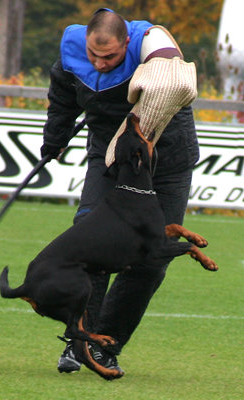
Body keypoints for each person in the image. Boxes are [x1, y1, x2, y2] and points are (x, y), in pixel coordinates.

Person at [40, 8, 199, 377]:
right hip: (108, 156)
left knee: (152, 258)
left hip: (167, 156)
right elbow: (62, 101)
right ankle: (79, 340)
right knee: (88, 240)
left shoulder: (150, 48)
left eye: (109, 57)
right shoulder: (70, 57)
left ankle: (106, 345)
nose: (98, 64)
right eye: (93, 55)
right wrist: (54, 141)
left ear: (126, 43)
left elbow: (178, 78)